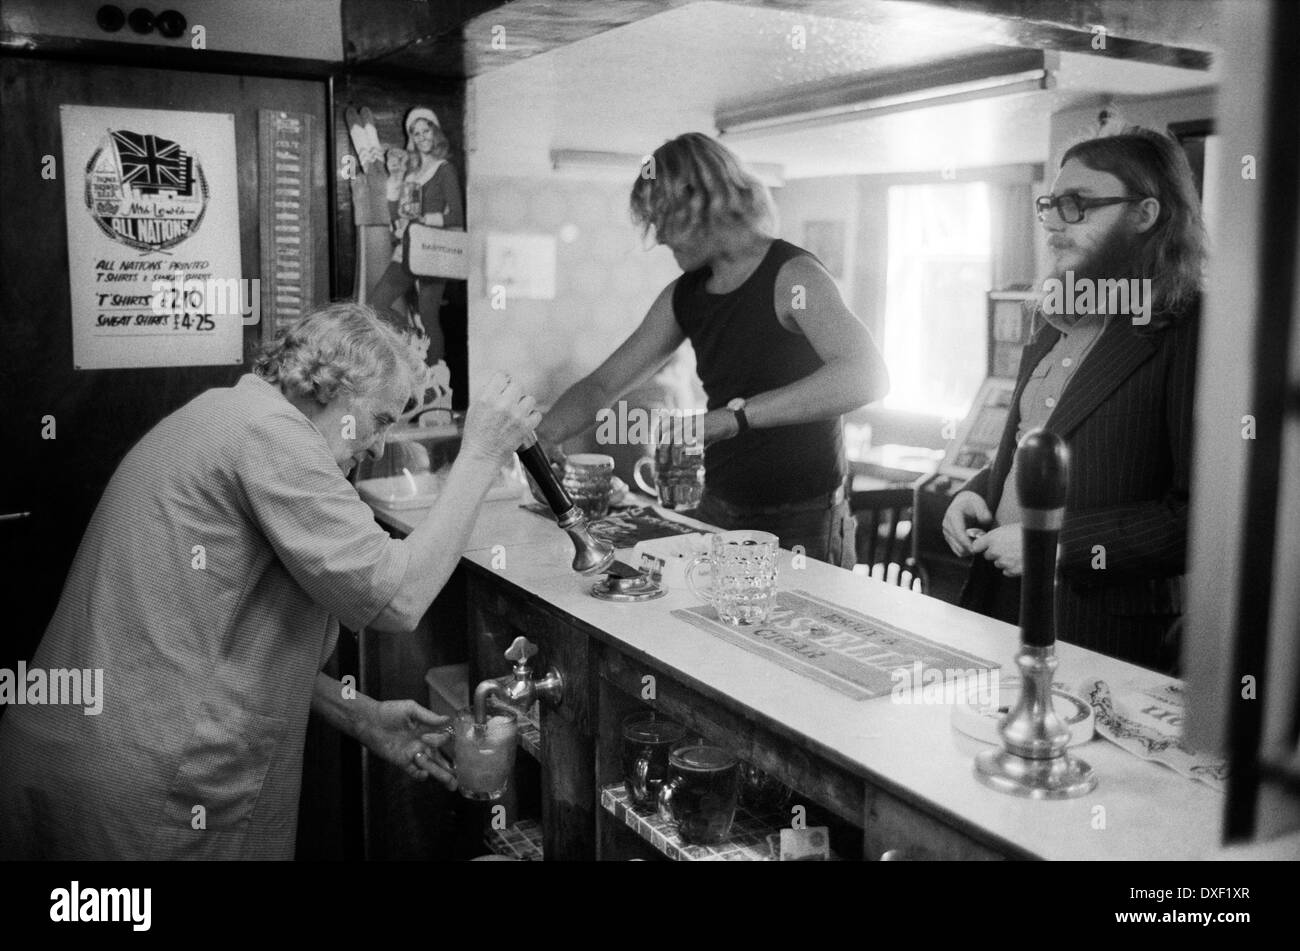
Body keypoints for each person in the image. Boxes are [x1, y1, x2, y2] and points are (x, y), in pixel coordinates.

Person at [0, 303, 540, 859]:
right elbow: (398, 599)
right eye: (380, 420)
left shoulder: (227, 412)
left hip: (82, 755)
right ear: (331, 385)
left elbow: (203, 640)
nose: (379, 446)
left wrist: (358, 714)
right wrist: (482, 451)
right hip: (144, 784)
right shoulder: (270, 435)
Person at [536, 132, 889, 568]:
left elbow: (867, 375)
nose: (659, 237)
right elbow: (602, 385)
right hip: (719, 510)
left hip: (805, 519)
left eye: (662, 218)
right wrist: (544, 438)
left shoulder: (792, 277)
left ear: (698, 206)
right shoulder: (684, 296)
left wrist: (733, 419)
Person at [942, 128, 1204, 674]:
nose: (1055, 222)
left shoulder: (1191, 327)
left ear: (1145, 213)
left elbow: (1199, 515)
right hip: (998, 603)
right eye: (1050, 204)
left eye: (1077, 205)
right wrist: (977, 491)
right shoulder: (1053, 316)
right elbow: (1031, 445)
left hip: (1099, 627)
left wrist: (1053, 546)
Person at [370, 106, 465, 363]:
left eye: (427, 131)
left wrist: (423, 220)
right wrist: (395, 182)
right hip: (406, 248)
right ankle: (412, 340)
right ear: (411, 136)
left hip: (432, 249)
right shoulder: (411, 172)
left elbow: (456, 216)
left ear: (436, 133)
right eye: (416, 132)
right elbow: (395, 211)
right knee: (375, 306)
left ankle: (434, 373)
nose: (422, 137)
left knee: (428, 314)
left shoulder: (444, 169)